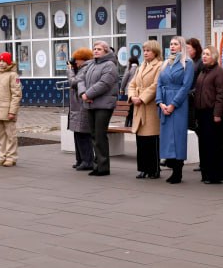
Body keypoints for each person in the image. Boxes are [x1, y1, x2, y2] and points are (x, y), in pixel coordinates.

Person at [157, 36, 197, 184]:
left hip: (178, 104)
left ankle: (178, 171)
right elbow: (159, 84)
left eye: (176, 44)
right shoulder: (166, 63)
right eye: (171, 44)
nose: (172, 47)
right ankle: (171, 164)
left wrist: (173, 104)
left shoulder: (187, 63)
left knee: (178, 136)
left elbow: (186, 86)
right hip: (165, 102)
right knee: (167, 137)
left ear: (182, 47)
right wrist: (160, 102)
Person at [79, 40, 120, 177]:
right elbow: (81, 80)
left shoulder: (110, 65)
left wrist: (88, 94)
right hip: (90, 103)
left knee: (100, 135)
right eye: (94, 49)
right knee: (94, 135)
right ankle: (97, 165)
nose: (96, 51)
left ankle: (103, 167)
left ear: (106, 51)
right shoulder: (91, 64)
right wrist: (83, 94)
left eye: (99, 49)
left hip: (104, 105)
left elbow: (104, 84)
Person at [192, 47, 223, 184]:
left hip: (213, 113)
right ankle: (206, 173)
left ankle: (215, 175)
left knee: (213, 144)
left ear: (214, 57)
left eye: (207, 54)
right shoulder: (203, 72)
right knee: (204, 144)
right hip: (202, 113)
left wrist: (218, 113)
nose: (204, 56)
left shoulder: (219, 72)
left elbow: (222, 94)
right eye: (203, 54)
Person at [129, 40, 163, 179]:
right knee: (140, 140)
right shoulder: (141, 66)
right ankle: (143, 168)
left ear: (155, 51)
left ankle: (154, 169)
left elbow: (155, 86)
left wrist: (142, 98)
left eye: (148, 50)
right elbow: (132, 84)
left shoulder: (160, 66)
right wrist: (132, 97)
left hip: (149, 107)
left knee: (151, 139)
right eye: (144, 50)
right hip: (138, 106)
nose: (145, 53)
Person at [0, 51, 22, 166]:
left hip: (8, 111)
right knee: (0, 135)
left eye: (4, 61)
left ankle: (11, 157)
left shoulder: (13, 75)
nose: (2, 63)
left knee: (10, 135)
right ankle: (2, 156)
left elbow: (16, 94)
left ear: (9, 62)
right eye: (0, 61)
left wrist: (12, 111)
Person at [67, 48, 95, 170]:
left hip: (81, 107)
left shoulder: (86, 69)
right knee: (78, 134)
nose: (75, 62)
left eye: (76, 59)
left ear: (82, 59)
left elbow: (74, 82)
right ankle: (80, 159)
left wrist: (70, 70)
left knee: (83, 134)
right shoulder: (82, 68)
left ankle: (87, 161)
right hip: (77, 107)